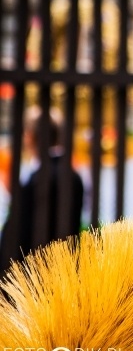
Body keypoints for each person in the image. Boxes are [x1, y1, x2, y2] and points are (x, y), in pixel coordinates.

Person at [0, 106, 84, 275]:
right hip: (64, 273)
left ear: (30, 137)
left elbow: (18, 236)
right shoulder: (74, 176)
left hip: (32, 276)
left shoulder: (36, 180)